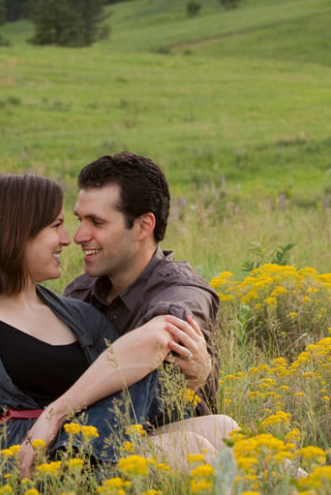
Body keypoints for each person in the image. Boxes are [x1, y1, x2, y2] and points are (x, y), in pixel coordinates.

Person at [0, 173, 235, 477]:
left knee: (224, 429)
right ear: (15, 231)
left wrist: (195, 378)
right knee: (193, 452)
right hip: (14, 459)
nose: (67, 239)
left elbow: (132, 402)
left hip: (80, 445)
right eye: (56, 226)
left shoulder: (77, 314)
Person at [64, 152, 219, 413]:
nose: (79, 236)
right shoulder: (79, 293)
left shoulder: (184, 291)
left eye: (97, 222)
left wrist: (56, 412)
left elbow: (160, 338)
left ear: (143, 226)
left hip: (178, 446)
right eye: (80, 220)